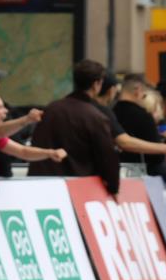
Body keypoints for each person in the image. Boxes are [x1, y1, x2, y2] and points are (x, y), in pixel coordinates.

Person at [28, 59, 120, 194]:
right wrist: (113, 188)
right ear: (96, 84)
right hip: (77, 189)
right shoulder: (95, 117)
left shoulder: (51, 108)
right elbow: (107, 158)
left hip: (40, 184)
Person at [114, 74, 166, 193]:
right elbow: (156, 161)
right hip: (138, 185)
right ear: (138, 91)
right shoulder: (142, 117)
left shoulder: (111, 112)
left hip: (114, 178)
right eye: (144, 96)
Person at [0, 95, 65, 175]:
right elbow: (0, 130)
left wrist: (50, 153)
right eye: (1, 107)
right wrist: (27, 119)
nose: (6, 111)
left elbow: (23, 152)